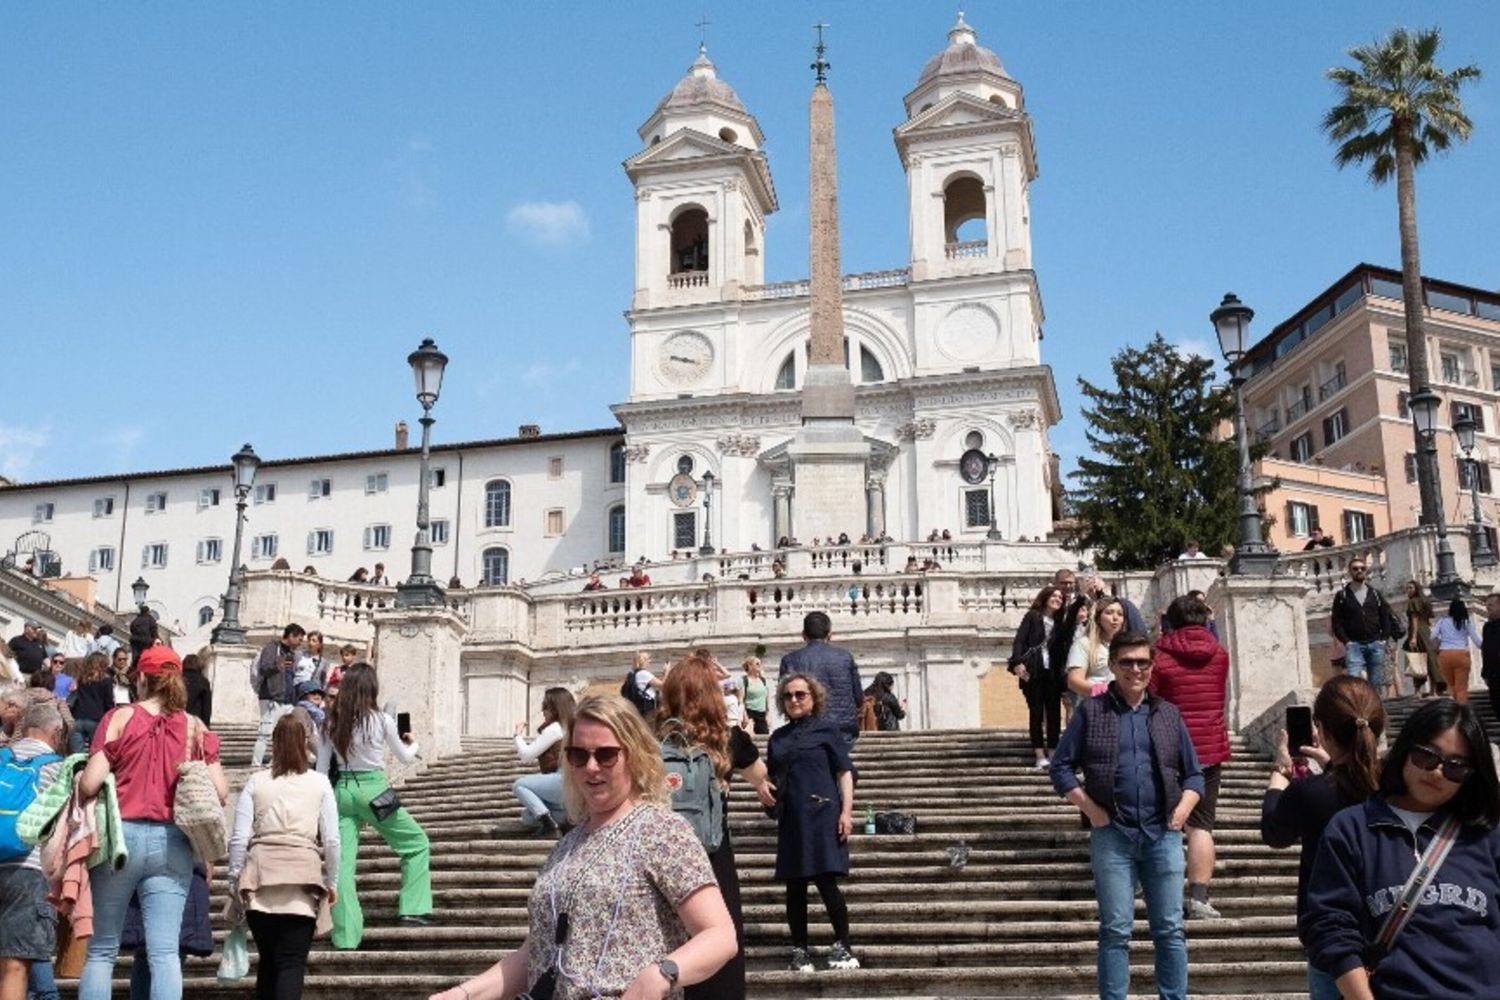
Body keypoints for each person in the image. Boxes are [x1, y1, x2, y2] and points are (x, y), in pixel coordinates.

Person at [427, 694, 736, 1000]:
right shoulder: (567, 845)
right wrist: (463, 994)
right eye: (578, 755)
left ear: (635, 754)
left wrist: (663, 973)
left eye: (605, 755)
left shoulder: (664, 832)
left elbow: (720, 935)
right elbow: (537, 953)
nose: (590, 767)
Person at [1302, 698, 1500, 1000]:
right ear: (1405, 749)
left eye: (1455, 767)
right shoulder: (1352, 829)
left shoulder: (1486, 835)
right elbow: (1331, 927)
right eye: (1426, 756)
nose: (1436, 773)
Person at [1050, 632, 1204, 1000]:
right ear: (1113, 667)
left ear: (1152, 666)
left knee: (1169, 929)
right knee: (1116, 930)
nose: (1136, 669)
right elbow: (1061, 768)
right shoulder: (1092, 710)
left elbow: (1194, 774)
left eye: (1143, 662)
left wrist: (1182, 811)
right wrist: (1090, 810)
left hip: (1163, 833)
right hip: (1113, 835)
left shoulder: (1168, 713)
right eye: (1127, 662)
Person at [77, 645, 228, 1000]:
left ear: (141, 678)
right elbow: (220, 790)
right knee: (164, 954)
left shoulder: (119, 717)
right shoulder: (195, 726)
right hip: (173, 841)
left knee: (102, 950)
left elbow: (90, 784)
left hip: (120, 839)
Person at [1261, 675, 1386, 1000]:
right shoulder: (1397, 789)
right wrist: (1331, 763)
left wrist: (1280, 771)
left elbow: (1274, 831)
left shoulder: (1311, 793)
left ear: (1323, 731)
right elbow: (1357, 779)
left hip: (1333, 941)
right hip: (1391, 932)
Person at [657, 655, 775, 1000]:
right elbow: (765, 783)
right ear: (710, 693)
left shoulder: (650, 739)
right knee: (717, 941)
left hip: (660, 856)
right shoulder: (730, 739)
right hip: (711, 856)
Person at [316, 663, 432, 947]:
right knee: (417, 843)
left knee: (341, 866)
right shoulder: (381, 720)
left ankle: (345, 936)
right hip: (374, 791)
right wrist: (414, 743)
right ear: (372, 689)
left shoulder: (331, 722)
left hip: (341, 791)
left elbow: (320, 770)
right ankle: (413, 909)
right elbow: (405, 757)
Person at [228, 714, 340, 1000]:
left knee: (268, 961)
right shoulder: (320, 783)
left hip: (261, 879)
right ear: (304, 743)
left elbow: (239, 838)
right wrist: (332, 880)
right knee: (291, 963)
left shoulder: (256, 782)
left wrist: (234, 879)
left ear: (274, 743)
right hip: (302, 880)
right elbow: (331, 839)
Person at [766, 674, 860, 973]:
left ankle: (843, 944)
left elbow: (844, 772)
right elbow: (771, 778)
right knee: (794, 887)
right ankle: (800, 950)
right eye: (788, 696)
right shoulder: (777, 739)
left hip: (822, 815)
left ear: (813, 697)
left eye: (800, 695)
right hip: (792, 818)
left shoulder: (828, 730)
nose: (794, 700)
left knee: (826, 882)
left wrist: (846, 812)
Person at [1149, 594, 1231, 920]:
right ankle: (1198, 898)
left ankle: (1161, 893)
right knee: (1201, 826)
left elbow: (1150, 700)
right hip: (1210, 748)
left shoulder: (1160, 655)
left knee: (1164, 821)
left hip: (1169, 748)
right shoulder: (1220, 654)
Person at [0, 701, 65, 1000]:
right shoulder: (59, 768)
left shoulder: (1, 758)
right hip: (28, 867)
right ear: (55, 733)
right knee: (16, 966)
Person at [779, 612, 863, 746]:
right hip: (843, 729)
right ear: (830, 635)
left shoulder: (790, 660)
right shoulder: (845, 657)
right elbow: (859, 698)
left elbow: (783, 700)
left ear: (803, 635)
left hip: (805, 728)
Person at [1009, 585, 1065, 769]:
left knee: (1054, 713)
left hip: (1053, 672)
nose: (1058, 599)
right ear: (1045, 597)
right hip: (1034, 671)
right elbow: (1020, 640)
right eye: (1054, 596)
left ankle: (1053, 752)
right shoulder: (1033, 616)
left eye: (1061, 597)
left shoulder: (1059, 621)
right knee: (1036, 713)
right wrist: (1017, 662)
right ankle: (1039, 754)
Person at [510, 687, 575, 836]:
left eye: (545, 707)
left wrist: (517, 735)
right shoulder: (572, 726)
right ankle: (564, 821)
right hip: (573, 784)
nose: (543, 712)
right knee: (527, 816)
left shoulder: (554, 728)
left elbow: (526, 756)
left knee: (519, 785)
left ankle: (549, 826)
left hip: (562, 779)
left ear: (555, 708)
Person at [1330, 558, 1403, 686]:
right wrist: (1347, 641)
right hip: (1354, 645)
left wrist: (1383, 639)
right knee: (1354, 683)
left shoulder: (1375, 594)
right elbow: (1336, 621)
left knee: (1375, 684)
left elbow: (1385, 617)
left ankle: (1375, 706)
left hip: (1375, 643)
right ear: (1350, 572)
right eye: (1355, 568)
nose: (1359, 571)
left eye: (1362, 568)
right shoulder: (1342, 596)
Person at [253, 624, 306, 768]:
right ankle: (255, 764)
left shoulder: (293, 653)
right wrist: (279, 665)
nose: (301, 643)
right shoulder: (271, 648)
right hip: (271, 696)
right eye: (299, 639)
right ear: (291, 636)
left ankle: (274, 762)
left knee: (283, 732)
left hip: (287, 699)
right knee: (265, 732)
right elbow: (264, 667)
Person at [1066, 597, 1125, 701]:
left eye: (1120, 614)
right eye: (1109, 613)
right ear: (1098, 617)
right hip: (1094, 705)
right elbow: (1073, 681)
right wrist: (1102, 691)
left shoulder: (1125, 646)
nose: (1115, 618)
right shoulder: (1084, 644)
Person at [1432, 597, 1481, 705]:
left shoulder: (1442, 621)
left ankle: (1452, 709)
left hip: (1444, 655)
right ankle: (1461, 710)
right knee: (1461, 687)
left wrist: (1440, 643)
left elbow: (1433, 636)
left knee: (1450, 685)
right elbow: (1477, 641)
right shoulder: (1465, 623)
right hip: (1461, 654)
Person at [70, 651, 114, 754]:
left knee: (77, 755)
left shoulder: (82, 679)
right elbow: (108, 703)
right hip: (96, 719)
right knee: (95, 753)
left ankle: (77, 769)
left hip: (78, 717)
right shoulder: (107, 681)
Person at [1405, 580, 1440, 696]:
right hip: (1426, 632)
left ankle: (1417, 691)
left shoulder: (1413, 602)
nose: (1408, 590)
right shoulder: (1426, 601)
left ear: (1416, 589)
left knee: (1417, 659)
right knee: (1431, 660)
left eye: (1411, 588)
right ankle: (1433, 690)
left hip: (1417, 632)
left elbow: (1414, 619)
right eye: (1408, 588)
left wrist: (1413, 637)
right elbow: (1430, 620)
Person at [1483, 592, 1500, 723]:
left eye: (1491, 605)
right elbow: (1486, 650)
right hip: (1493, 674)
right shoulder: (1487, 627)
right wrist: (1485, 673)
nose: (1487, 608)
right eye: (1487, 605)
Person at [741, 657, 769, 735]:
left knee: (764, 737)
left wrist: (768, 714)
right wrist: (744, 716)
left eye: (760, 664)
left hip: (762, 714)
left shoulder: (763, 680)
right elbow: (741, 700)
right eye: (757, 664)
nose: (760, 666)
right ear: (750, 666)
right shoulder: (744, 680)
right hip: (750, 712)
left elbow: (766, 698)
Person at [181, 654, 211, 728]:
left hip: (178, 720)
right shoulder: (203, 681)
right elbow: (206, 707)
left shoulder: (177, 679)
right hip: (196, 722)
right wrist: (205, 725)